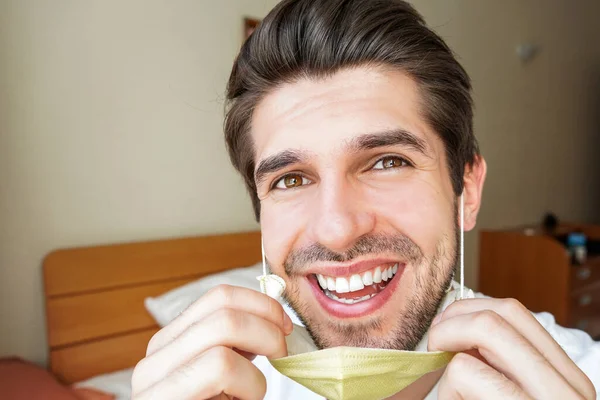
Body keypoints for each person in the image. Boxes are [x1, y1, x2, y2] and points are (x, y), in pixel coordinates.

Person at [131, 0, 599, 398]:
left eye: (388, 162)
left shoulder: (585, 375)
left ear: (467, 191)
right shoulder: (213, 386)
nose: (337, 230)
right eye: (291, 180)